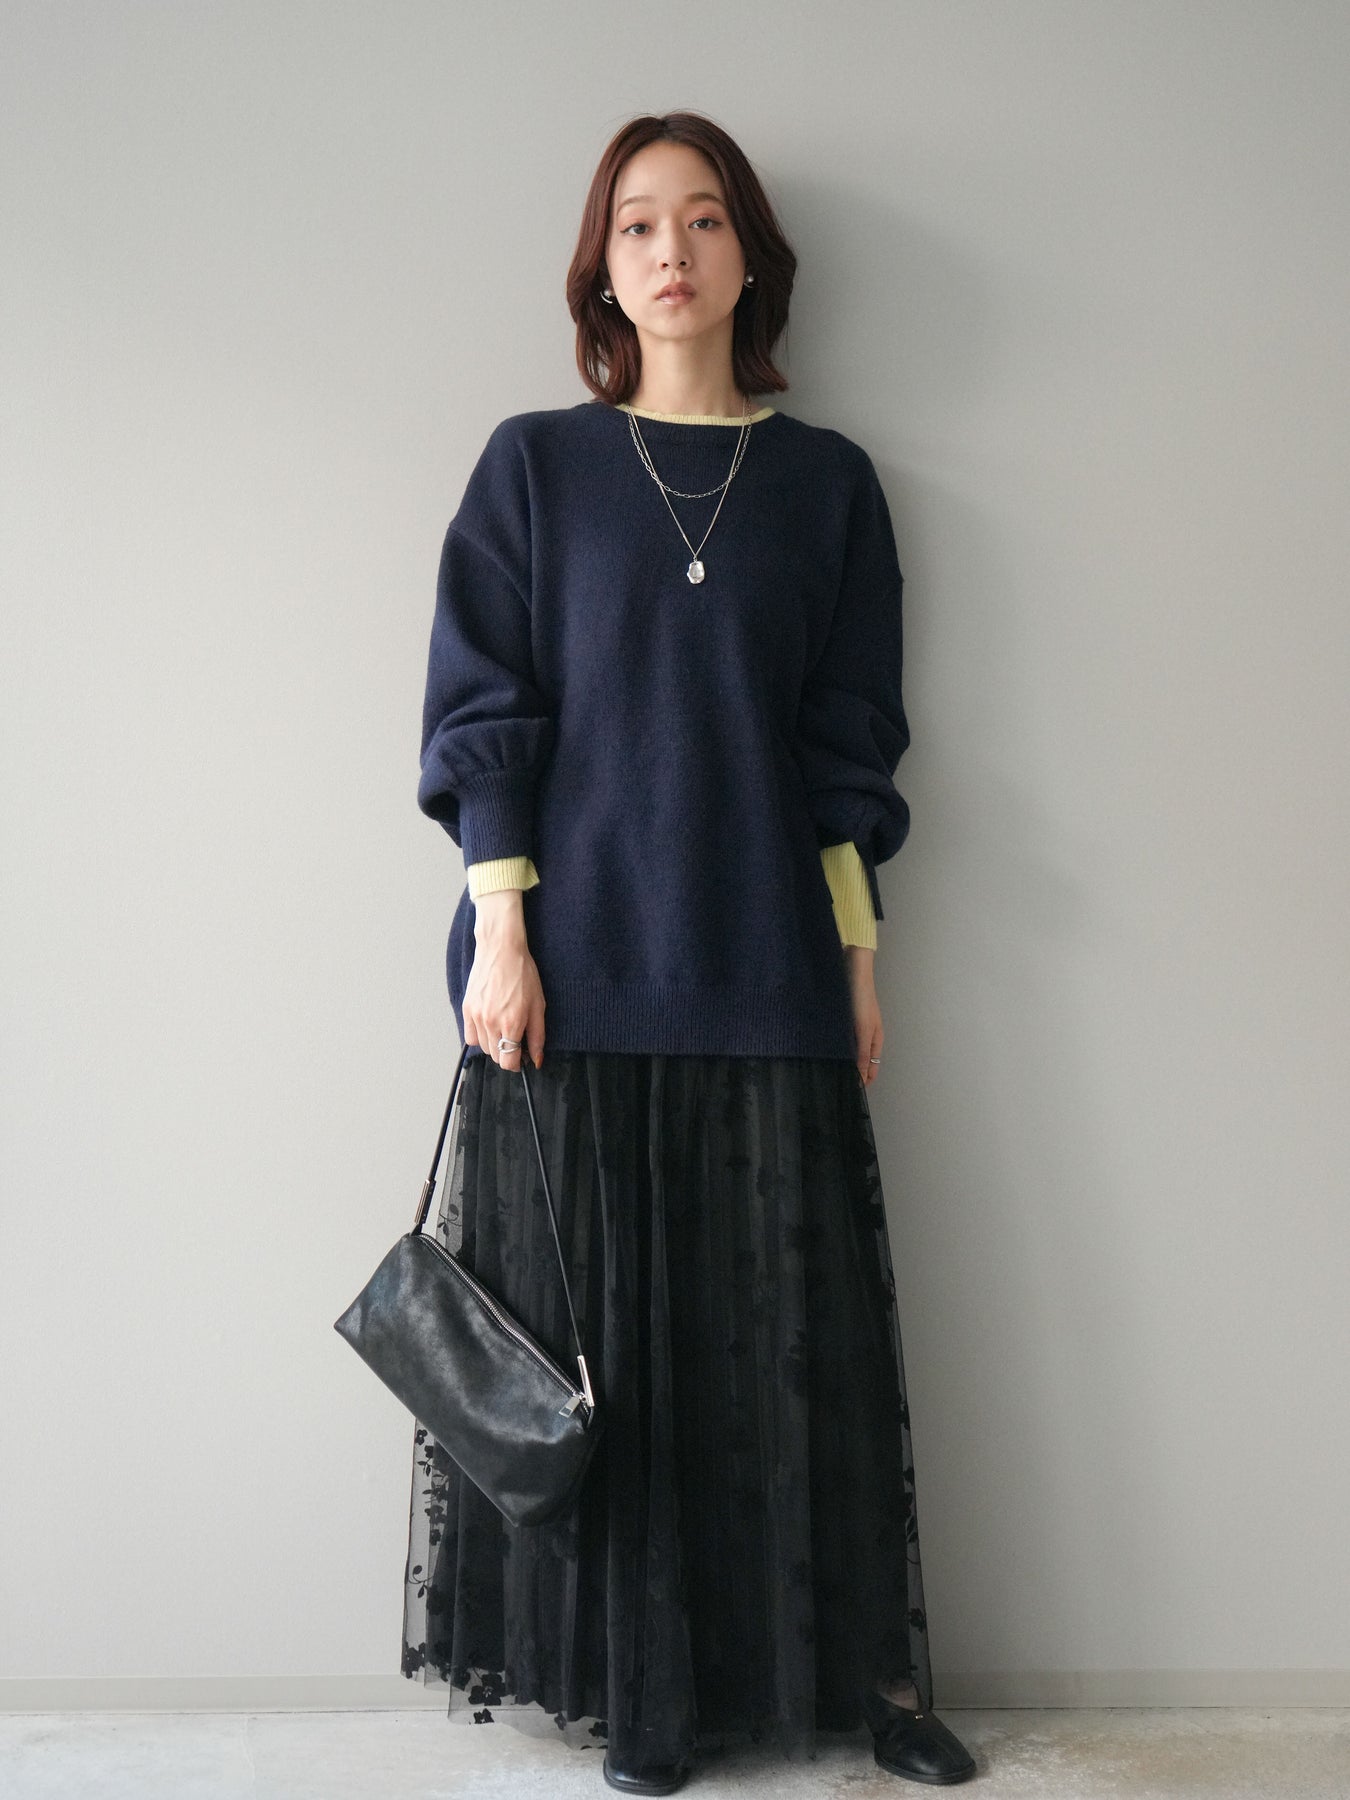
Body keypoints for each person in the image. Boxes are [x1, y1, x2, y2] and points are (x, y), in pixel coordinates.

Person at [400, 111, 977, 1794]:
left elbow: (846, 745)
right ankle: (634, 1696)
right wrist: (502, 935)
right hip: (569, 971)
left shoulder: (829, 484)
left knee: (783, 1350)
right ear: (603, 269)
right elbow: (484, 713)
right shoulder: (533, 466)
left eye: (704, 218)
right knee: (598, 1356)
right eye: (639, 224)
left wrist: (857, 963)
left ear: (748, 260)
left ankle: (853, 1679)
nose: (671, 250)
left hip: (766, 955)